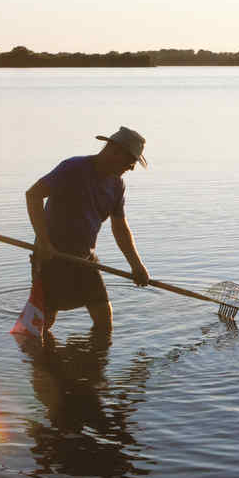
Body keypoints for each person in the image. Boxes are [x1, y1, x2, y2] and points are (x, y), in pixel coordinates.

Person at [25, 126, 151, 333]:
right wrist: (44, 243)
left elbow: (120, 227)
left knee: (104, 319)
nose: (131, 168)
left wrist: (136, 265)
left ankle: (95, 361)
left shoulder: (117, 185)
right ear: (114, 151)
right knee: (43, 322)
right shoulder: (72, 168)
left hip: (85, 257)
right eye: (130, 162)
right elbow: (33, 195)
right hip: (52, 255)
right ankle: (37, 361)